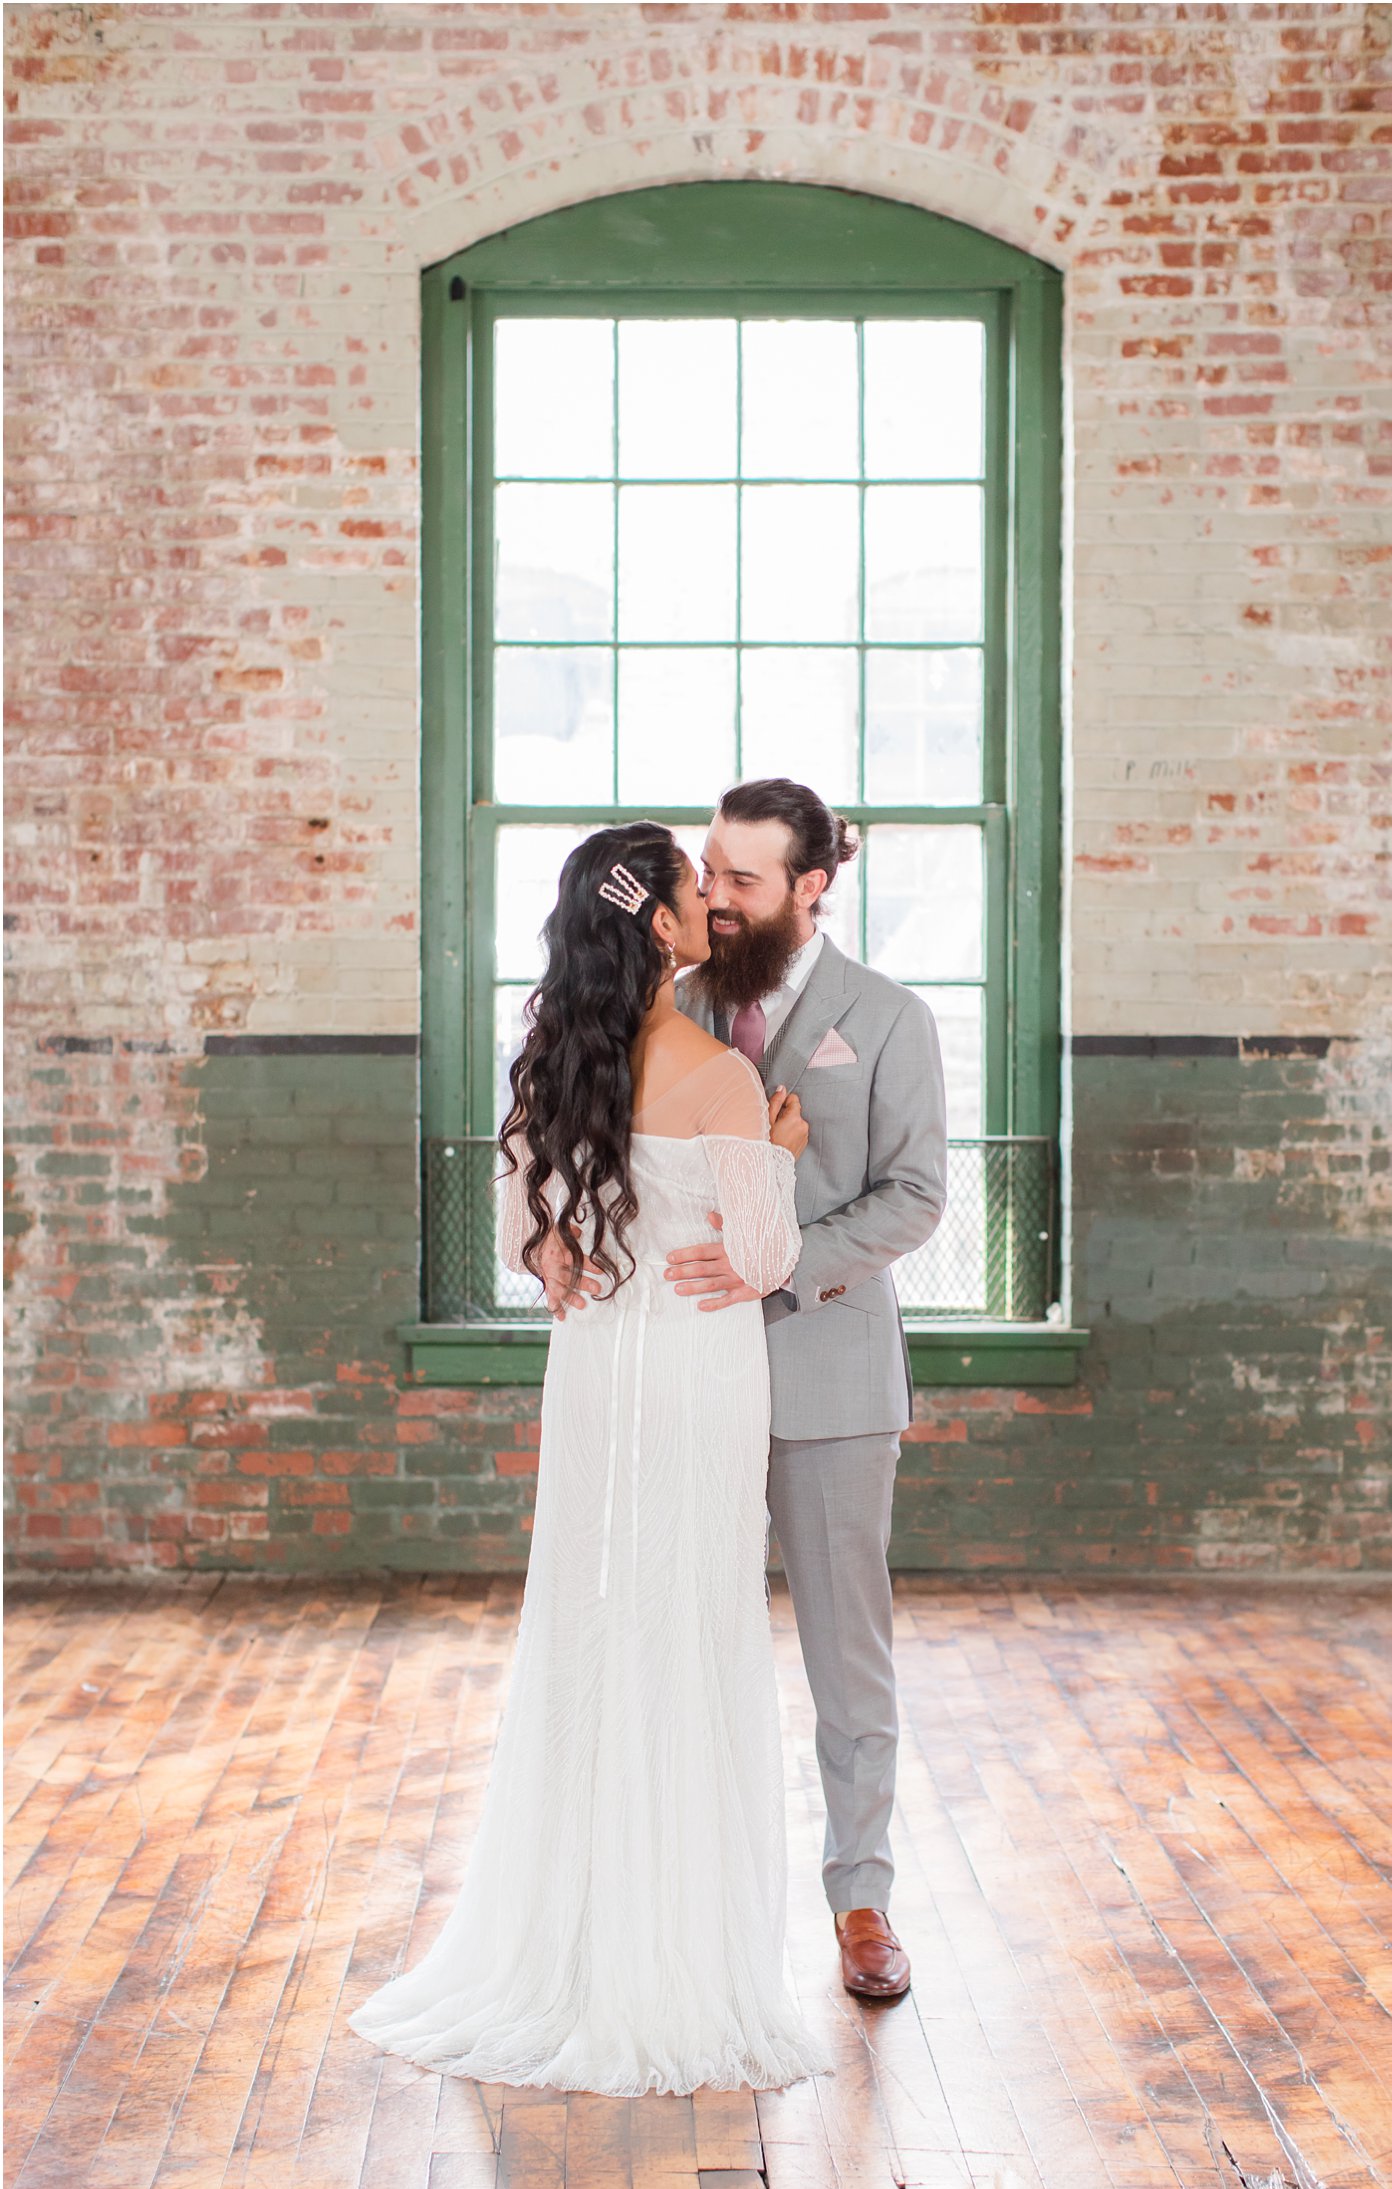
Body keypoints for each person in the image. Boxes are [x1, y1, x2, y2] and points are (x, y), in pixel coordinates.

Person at [348, 820, 834, 2097]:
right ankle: (668, 1952)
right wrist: (777, 1154)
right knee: (689, 1624)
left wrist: (554, 1255)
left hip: (595, 1368)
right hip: (696, 1367)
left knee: (588, 1621)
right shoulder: (720, 1075)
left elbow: (532, 1239)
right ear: (662, 929)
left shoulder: (548, 1063)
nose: (710, 908)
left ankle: (560, 1937)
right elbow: (767, 1257)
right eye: (693, 892)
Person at [546, 780, 949, 2004]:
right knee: (666, 1637)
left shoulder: (888, 1018)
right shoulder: (655, 1005)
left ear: (810, 888)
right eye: (706, 874)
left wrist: (781, 1270)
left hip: (828, 1377)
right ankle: (663, 1904)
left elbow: (916, 1196)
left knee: (845, 1651)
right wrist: (547, 1240)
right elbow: (567, 1139)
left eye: (742, 880)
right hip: (675, 1381)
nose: (715, 898)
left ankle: (861, 1899)